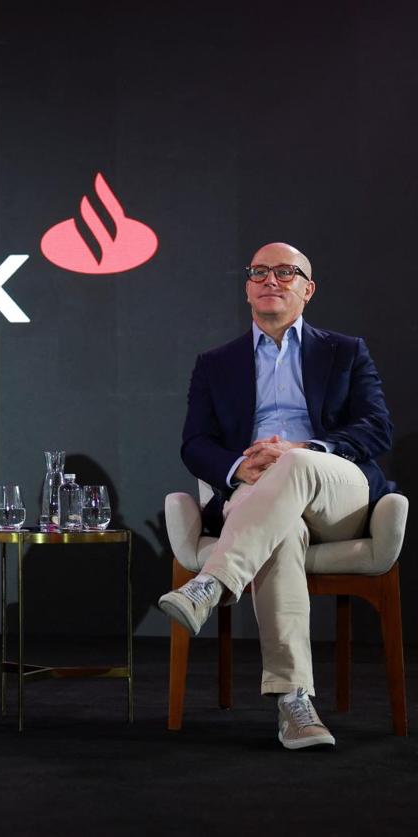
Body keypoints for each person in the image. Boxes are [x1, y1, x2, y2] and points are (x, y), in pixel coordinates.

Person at [159, 242, 395, 750]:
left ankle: (212, 582)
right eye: (260, 272)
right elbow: (194, 442)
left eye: (286, 272)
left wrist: (302, 449)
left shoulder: (346, 351)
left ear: (307, 290)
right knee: (280, 532)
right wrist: (239, 465)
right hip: (259, 492)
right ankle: (295, 704)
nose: (271, 279)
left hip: (337, 490)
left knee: (292, 464)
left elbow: (377, 428)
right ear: (247, 289)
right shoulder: (215, 363)